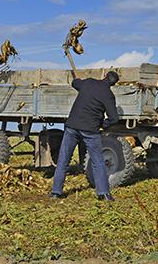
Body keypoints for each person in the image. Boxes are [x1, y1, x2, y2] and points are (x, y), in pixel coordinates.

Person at [50, 70, 120, 201]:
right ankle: (103, 193)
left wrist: (78, 80)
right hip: (90, 130)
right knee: (98, 162)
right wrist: (103, 125)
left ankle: (55, 192)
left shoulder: (89, 83)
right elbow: (114, 118)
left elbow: (75, 83)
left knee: (63, 160)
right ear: (113, 84)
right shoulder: (109, 95)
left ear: (104, 76)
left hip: (72, 126)